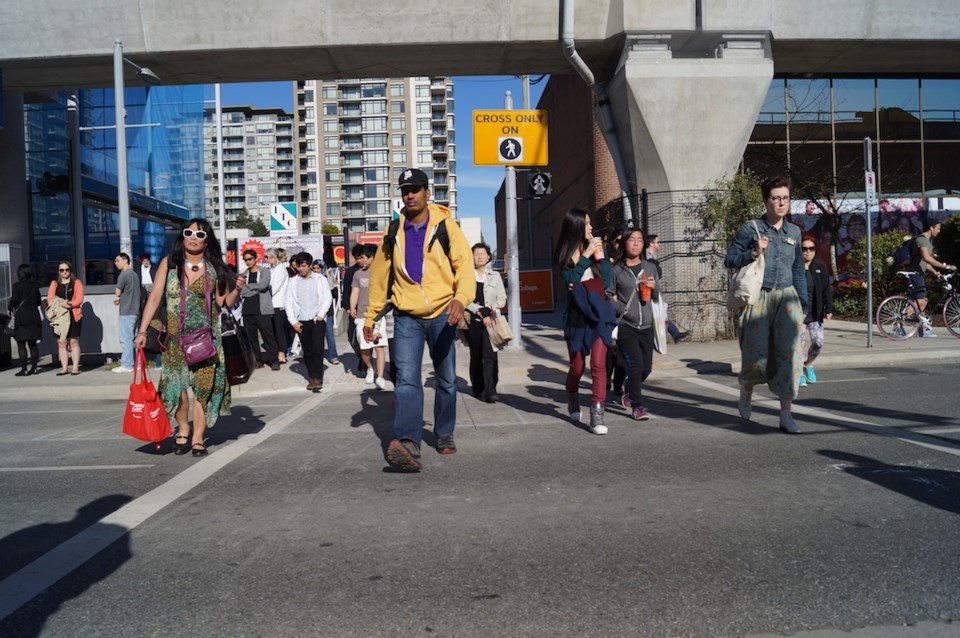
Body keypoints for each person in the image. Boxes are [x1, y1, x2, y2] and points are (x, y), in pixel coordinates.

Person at [364, 168, 474, 471]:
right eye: (404, 190)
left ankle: (444, 433)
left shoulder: (446, 227)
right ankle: (409, 442)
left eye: (415, 189)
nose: (409, 195)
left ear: (427, 193)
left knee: (447, 379)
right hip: (407, 316)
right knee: (407, 380)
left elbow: (464, 268)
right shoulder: (392, 232)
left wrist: (460, 298)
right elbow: (378, 278)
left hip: (442, 313)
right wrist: (370, 317)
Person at [134, 218, 245, 457]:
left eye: (200, 235)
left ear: (207, 242)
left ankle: (197, 438)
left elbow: (223, 303)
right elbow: (154, 298)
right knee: (178, 389)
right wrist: (142, 331)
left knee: (203, 390)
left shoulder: (215, 268)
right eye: (189, 233)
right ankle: (183, 428)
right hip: (175, 340)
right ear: (182, 237)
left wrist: (236, 289)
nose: (194, 237)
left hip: (207, 339)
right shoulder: (169, 264)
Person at [726, 175, 808, 434]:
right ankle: (746, 391)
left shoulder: (794, 232)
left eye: (785, 198)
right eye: (776, 198)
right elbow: (730, 259)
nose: (781, 203)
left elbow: (798, 271)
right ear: (766, 201)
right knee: (754, 353)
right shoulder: (751, 229)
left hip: (787, 297)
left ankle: (785, 415)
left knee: (790, 356)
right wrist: (753, 252)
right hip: (758, 298)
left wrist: (803, 306)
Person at [557, 208, 615, 435]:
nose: (591, 228)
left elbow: (607, 281)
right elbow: (570, 279)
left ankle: (597, 414)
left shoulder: (597, 250)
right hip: (576, 318)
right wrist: (585, 256)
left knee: (599, 365)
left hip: (599, 314)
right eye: (588, 224)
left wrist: (600, 257)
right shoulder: (565, 255)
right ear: (577, 226)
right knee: (577, 367)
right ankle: (572, 396)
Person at [607, 228, 659, 421]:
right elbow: (608, 294)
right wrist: (621, 308)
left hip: (646, 324)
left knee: (646, 369)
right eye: (632, 240)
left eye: (639, 240)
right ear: (624, 244)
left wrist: (653, 289)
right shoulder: (617, 270)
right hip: (626, 325)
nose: (636, 243)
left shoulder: (650, 268)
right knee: (635, 365)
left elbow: (657, 295)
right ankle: (638, 406)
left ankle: (630, 390)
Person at [464, 242, 507, 403]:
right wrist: (478, 310)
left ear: (488, 257)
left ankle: (490, 390)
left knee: (490, 355)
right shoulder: (467, 276)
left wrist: (489, 309)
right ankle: (477, 386)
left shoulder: (495, 276)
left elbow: (502, 299)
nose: (480, 256)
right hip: (473, 322)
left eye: (483, 253)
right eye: (476, 254)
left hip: (492, 321)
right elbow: (464, 298)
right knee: (476, 355)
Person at [285, 251, 333, 392]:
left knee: (318, 349)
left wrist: (321, 315)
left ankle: (317, 378)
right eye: (299, 266)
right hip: (301, 321)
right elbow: (288, 302)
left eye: (304, 265)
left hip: (316, 319)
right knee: (308, 351)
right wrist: (293, 321)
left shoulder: (320, 279)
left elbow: (327, 298)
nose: (301, 269)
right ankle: (311, 376)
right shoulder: (293, 282)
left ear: (310, 265)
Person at [907, 220, 957, 337]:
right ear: (931, 227)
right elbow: (927, 258)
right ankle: (898, 324)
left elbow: (924, 262)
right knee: (922, 301)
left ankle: (922, 330)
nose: (939, 231)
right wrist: (945, 266)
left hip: (918, 273)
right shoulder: (922, 240)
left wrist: (935, 272)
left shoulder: (926, 241)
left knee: (921, 301)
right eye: (938, 228)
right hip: (915, 273)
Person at [352, 245, 388, 389]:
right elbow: (355, 292)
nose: (360, 260)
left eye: (362, 258)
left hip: (379, 314)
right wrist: (352, 307)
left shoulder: (382, 273)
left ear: (372, 257)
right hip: (362, 315)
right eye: (359, 258)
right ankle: (369, 368)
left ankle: (380, 376)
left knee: (379, 346)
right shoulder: (358, 274)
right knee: (365, 347)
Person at [798, 235, 833, 387]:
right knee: (798, 345)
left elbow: (827, 290)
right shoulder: (795, 269)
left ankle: (808, 365)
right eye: (804, 249)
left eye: (811, 249)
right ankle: (798, 373)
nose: (808, 252)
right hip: (798, 314)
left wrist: (829, 308)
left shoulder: (820, 268)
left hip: (815, 313)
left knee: (818, 343)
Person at [239, 249, 280, 370]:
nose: (248, 262)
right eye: (245, 260)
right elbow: (241, 291)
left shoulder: (264, 271)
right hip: (247, 310)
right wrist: (252, 290)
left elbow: (263, 285)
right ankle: (258, 360)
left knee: (268, 336)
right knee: (252, 339)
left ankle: (274, 360)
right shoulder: (243, 274)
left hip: (262, 309)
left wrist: (250, 287)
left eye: (250, 259)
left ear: (255, 259)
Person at [644, 233, 689, 343]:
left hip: (653, 288)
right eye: (658, 242)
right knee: (658, 312)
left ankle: (675, 333)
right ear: (651, 243)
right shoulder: (647, 257)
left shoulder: (652, 257)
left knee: (660, 312)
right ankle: (673, 334)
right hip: (648, 290)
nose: (660, 244)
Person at [46, 260, 84, 376]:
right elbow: (50, 299)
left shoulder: (76, 282)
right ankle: (64, 368)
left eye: (66, 270)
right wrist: (61, 303)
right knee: (61, 342)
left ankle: (75, 367)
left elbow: (79, 298)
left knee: (73, 341)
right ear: (58, 272)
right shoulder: (54, 283)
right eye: (61, 270)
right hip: (59, 317)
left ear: (70, 270)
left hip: (73, 315)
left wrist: (70, 304)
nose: (64, 272)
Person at [7, 264, 42, 376]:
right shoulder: (35, 285)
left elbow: (14, 299)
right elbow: (38, 302)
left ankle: (24, 369)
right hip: (33, 316)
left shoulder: (17, 285)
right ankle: (35, 368)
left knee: (21, 344)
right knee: (33, 344)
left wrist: (9, 308)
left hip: (21, 317)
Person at [111, 252, 141, 374]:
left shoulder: (123, 275)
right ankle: (138, 363)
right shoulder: (134, 274)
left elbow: (118, 292)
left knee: (126, 338)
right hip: (135, 310)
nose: (116, 263)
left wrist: (117, 296)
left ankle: (127, 364)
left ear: (125, 260)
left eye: (117, 261)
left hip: (127, 311)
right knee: (134, 338)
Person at [342, 244, 366, 374]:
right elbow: (346, 290)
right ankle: (360, 357)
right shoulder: (351, 271)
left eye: (360, 258)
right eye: (356, 258)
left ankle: (366, 361)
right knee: (352, 337)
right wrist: (347, 307)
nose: (358, 261)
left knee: (367, 338)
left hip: (368, 310)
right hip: (354, 310)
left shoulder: (372, 271)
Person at [265, 248, 290, 364]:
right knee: (274, 330)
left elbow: (274, 287)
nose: (266, 259)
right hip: (271, 303)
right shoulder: (272, 269)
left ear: (274, 257)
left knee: (279, 330)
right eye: (265, 257)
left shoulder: (280, 269)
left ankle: (282, 353)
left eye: (268, 257)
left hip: (278, 304)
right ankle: (277, 352)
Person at [320, 261, 341, 365]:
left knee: (329, 333)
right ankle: (318, 355)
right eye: (314, 268)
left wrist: (330, 278)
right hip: (315, 311)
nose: (316, 270)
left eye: (318, 268)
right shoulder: (311, 279)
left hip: (328, 311)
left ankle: (333, 356)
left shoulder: (328, 276)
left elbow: (333, 288)